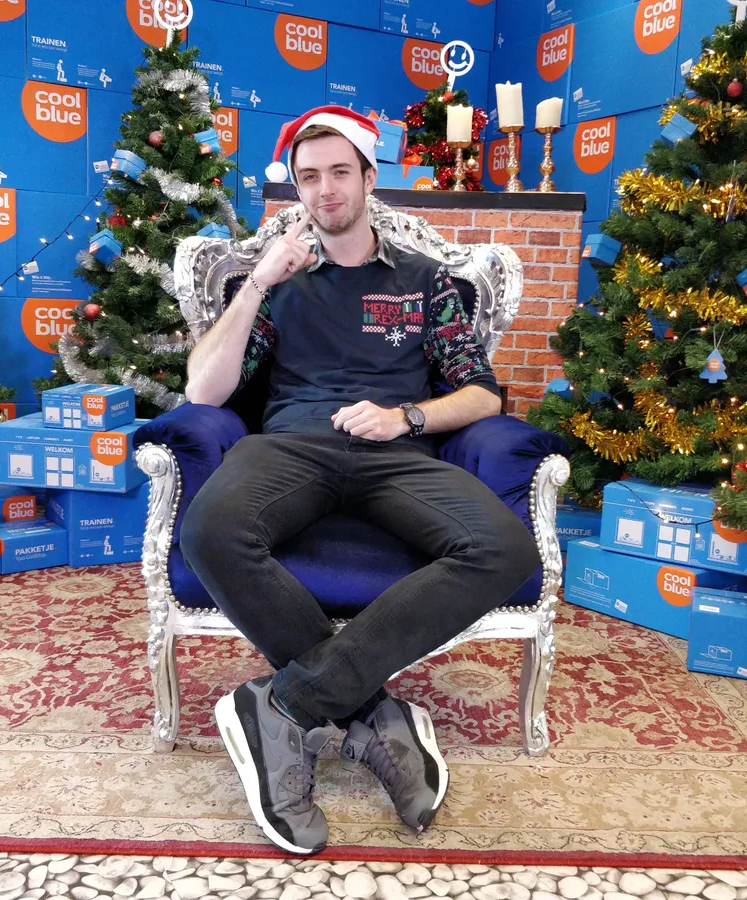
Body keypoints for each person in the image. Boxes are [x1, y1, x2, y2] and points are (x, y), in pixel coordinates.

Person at [180, 105, 539, 855]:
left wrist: (406, 416)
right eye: (308, 177)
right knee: (212, 529)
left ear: (370, 179)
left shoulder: (426, 282)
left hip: (393, 456)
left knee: (503, 548)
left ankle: (282, 704)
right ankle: (377, 715)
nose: (324, 189)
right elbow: (205, 394)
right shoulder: (278, 284)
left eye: (340, 172)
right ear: (297, 192)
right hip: (291, 449)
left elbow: (482, 395)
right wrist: (255, 285)